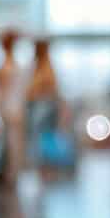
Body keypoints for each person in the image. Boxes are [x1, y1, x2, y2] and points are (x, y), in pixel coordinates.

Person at [25, 39, 72, 171]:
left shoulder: (46, 69)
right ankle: (43, 172)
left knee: (44, 144)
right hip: (37, 110)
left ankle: (46, 172)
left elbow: (52, 92)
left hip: (44, 111)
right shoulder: (36, 67)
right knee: (38, 145)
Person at [0, 31, 26, 180]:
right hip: (16, 106)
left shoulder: (6, 65)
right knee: (13, 141)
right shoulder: (13, 64)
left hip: (10, 106)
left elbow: (1, 92)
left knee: (11, 141)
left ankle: (11, 172)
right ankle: (12, 171)